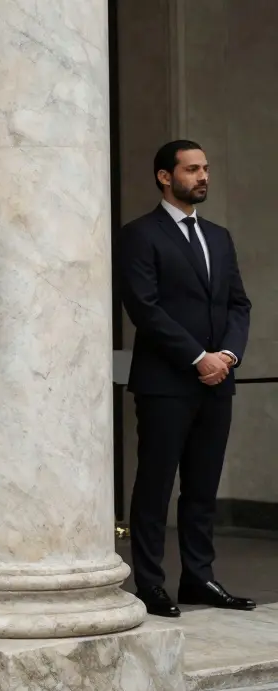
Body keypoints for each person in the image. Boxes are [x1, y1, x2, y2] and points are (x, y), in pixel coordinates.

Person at [118, 139, 253, 619]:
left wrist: (228, 356)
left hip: (219, 381)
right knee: (155, 486)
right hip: (166, 383)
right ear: (164, 176)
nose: (203, 177)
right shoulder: (139, 234)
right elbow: (144, 309)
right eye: (193, 169)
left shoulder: (219, 236)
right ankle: (150, 583)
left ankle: (199, 578)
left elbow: (239, 303)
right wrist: (198, 357)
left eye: (206, 169)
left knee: (202, 486)